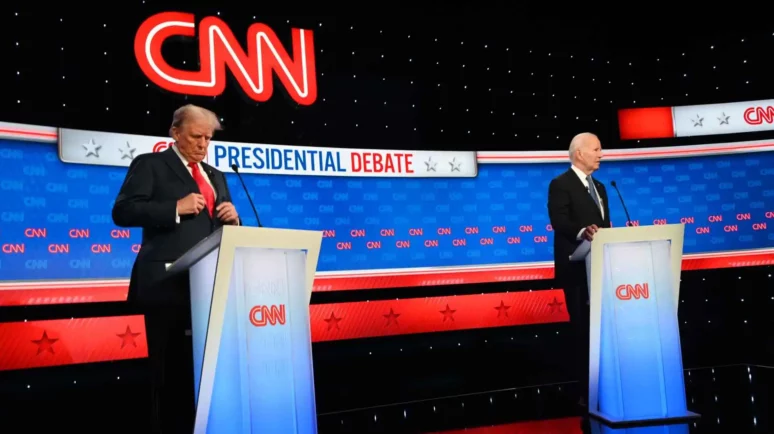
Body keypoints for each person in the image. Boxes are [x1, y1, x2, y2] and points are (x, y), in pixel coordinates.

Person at [112, 104, 240, 433]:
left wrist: (233, 220)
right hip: (166, 287)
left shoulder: (216, 177)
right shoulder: (151, 165)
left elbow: (220, 236)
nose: (203, 144)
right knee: (168, 377)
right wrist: (174, 208)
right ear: (175, 133)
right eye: (196, 136)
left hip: (208, 287)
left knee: (204, 372)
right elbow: (123, 211)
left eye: (208, 138)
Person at [546, 132, 611, 409]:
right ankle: (586, 393)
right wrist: (583, 231)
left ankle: (606, 387)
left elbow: (606, 227)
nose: (601, 154)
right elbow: (558, 221)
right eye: (596, 150)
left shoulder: (601, 186)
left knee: (601, 332)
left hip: (601, 270)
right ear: (580, 153)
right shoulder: (560, 184)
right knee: (582, 332)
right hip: (576, 270)